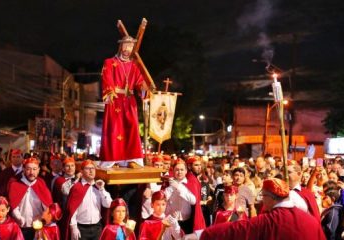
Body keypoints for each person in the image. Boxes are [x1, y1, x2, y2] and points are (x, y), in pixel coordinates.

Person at [184, 178, 326, 240]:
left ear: (271, 197)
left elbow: (237, 229)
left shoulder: (270, 220)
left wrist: (200, 235)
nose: (262, 200)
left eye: (263, 196)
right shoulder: (310, 220)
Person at [99, 35, 152, 168]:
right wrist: (110, 92)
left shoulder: (135, 65)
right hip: (115, 100)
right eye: (125, 45)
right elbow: (107, 78)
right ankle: (113, 161)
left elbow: (140, 82)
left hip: (130, 101)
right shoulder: (110, 62)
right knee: (114, 129)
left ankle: (132, 159)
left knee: (132, 128)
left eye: (130, 46)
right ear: (120, 46)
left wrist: (144, 87)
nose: (127, 48)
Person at [63, 160, 112, 240]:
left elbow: (108, 204)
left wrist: (102, 189)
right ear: (81, 171)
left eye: (93, 168)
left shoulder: (99, 187)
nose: (91, 171)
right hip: (81, 228)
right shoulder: (76, 187)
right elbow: (72, 209)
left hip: (97, 227)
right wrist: (73, 227)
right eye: (87, 168)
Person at [8, 157, 53, 240]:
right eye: (28, 169)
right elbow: (14, 206)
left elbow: (48, 206)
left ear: (38, 170)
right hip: (20, 227)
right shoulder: (15, 184)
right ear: (24, 169)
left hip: (38, 227)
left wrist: (42, 218)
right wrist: (20, 219)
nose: (31, 172)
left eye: (34, 169)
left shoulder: (41, 184)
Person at [164, 159, 206, 234]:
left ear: (186, 171)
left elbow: (193, 201)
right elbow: (164, 199)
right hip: (172, 222)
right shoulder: (169, 183)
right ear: (173, 171)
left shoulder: (190, 183)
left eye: (182, 170)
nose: (179, 172)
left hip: (187, 222)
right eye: (177, 170)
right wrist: (171, 187)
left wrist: (179, 187)